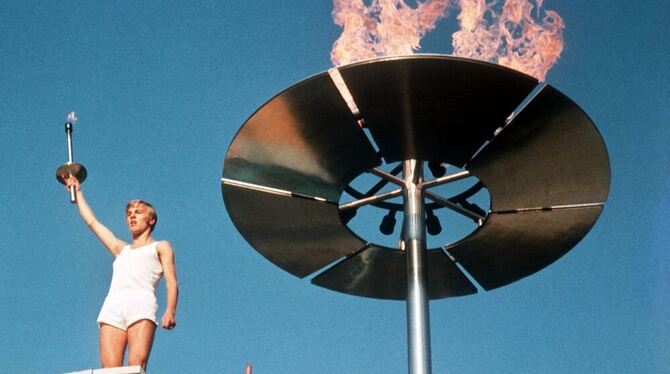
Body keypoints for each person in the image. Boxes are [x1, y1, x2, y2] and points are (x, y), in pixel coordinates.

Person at [63, 176, 179, 370]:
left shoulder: (161, 246)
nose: (132, 216)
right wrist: (79, 192)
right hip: (113, 306)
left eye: (138, 212)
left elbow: (172, 282)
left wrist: (170, 310)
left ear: (151, 220)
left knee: (135, 366)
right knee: (109, 370)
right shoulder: (120, 249)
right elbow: (92, 222)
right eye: (129, 214)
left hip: (141, 305)